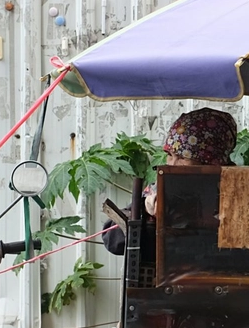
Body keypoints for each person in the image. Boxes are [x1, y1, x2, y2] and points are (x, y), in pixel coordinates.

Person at [101, 108, 239, 256]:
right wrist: (146, 214)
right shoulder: (161, 188)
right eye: (169, 154)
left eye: (182, 157)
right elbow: (113, 242)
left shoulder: (243, 190)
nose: (172, 164)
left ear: (210, 161)